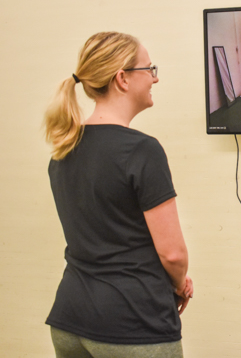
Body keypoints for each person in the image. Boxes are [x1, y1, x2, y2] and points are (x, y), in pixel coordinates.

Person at [43, 32, 193, 358]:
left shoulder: (63, 148)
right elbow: (173, 254)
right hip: (132, 325)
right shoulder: (142, 150)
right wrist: (180, 284)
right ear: (122, 79)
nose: (155, 77)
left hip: (70, 320)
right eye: (149, 69)